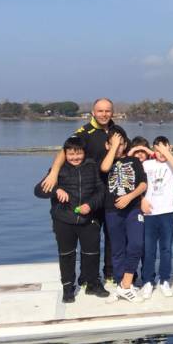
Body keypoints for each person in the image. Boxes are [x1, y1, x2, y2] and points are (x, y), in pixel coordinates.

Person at [40, 99, 117, 280]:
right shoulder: (84, 132)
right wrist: (53, 174)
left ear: (112, 112)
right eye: (100, 111)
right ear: (93, 112)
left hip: (113, 191)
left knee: (113, 234)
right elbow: (65, 151)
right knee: (91, 237)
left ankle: (110, 273)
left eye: (107, 111)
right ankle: (86, 277)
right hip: (92, 192)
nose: (104, 114)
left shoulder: (116, 131)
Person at [33, 135, 108, 302]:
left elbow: (101, 191)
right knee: (67, 254)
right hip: (63, 220)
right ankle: (68, 287)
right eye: (71, 154)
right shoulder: (57, 170)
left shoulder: (91, 166)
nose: (75, 157)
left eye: (79, 153)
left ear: (84, 153)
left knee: (92, 253)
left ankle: (93, 284)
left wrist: (90, 205)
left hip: (89, 219)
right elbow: (38, 191)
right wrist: (56, 190)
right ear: (64, 154)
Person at [100, 127, 147, 302]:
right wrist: (113, 147)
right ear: (108, 145)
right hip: (112, 211)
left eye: (121, 144)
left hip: (133, 208)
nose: (118, 147)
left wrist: (129, 197)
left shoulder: (134, 161)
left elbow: (143, 184)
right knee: (117, 249)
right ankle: (122, 285)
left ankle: (126, 285)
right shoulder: (105, 161)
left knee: (136, 244)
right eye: (113, 144)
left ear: (126, 144)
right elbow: (105, 168)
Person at [134, 137, 173, 299]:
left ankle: (164, 279)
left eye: (164, 149)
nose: (161, 153)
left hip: (167, 212)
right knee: (149, 249)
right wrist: (142, 200)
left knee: (166, 248)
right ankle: (147, 280)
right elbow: (134, 179)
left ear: (170, 148)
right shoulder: (147, 164)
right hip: (149, 213)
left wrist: (165, 151)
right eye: (158, 151)